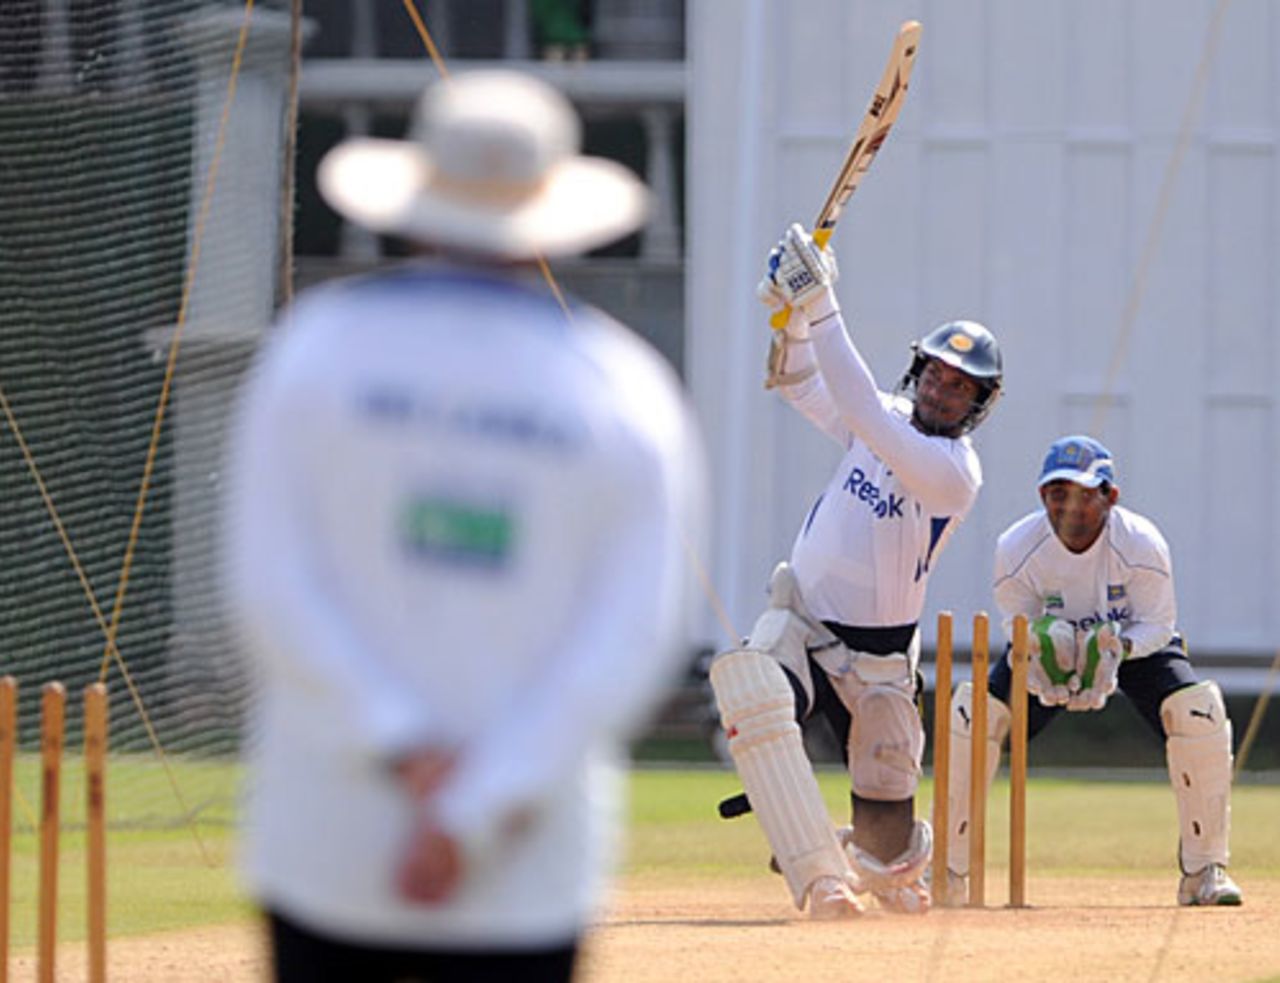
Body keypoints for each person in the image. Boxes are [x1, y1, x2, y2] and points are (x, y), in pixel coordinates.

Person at [223, 69, 706, 981]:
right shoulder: (623, 388)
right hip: (520, 866)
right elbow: (632, 638)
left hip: (333, 838)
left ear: (413, 205)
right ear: (556, 219)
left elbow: (271, 588)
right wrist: (475, 807)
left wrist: (402, 748)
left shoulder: (316, 350)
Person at [709, 223, 1003, 917]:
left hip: (877, 660)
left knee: (888, 856)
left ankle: (872, 864)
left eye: (960, 386)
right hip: (803, 616)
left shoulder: (953, 473)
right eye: (935, 372)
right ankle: (820, 881)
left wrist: (823, 301)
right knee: (755, 693)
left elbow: (862, 408)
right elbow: (805, 383)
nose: (941, 390)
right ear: (918, 371)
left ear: (977, 405)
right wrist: (794, 316)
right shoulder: (886, 418)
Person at [942, 435, 1243, 907]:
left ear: (1111, 496)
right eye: (1058, 494)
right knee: (971, 713)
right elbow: (1015, 626)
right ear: (1043, 496)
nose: (1071, 507)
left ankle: (1206, 870)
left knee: (1198, 710)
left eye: (1086, 494)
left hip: (1132, 644)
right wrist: (1043, 667)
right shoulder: (1017, 547)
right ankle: (949, 870)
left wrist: (1116, 649)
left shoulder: (1141, 542)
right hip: (1046, 647)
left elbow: (1159, 625)